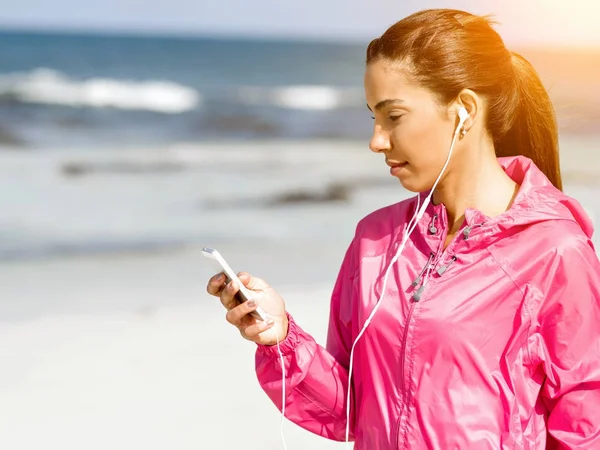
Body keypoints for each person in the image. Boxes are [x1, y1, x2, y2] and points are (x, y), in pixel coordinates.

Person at [206, 8, 600, 449]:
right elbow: (350, 412)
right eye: (373, 117)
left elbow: (586, 426)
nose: (377, 140)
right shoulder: (375, 240)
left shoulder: (554, 250)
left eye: (394, 116)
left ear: (465, 110)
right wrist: (281, 337)